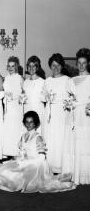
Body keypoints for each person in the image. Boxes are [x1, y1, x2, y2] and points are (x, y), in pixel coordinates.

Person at [0, 111, 76, 193]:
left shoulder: (38, 137)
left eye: (31, 122)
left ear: (35, 123)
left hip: (37, 165)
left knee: (13, 177)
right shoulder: (23, 136)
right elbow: (22, 153)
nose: (29, 124)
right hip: (25, 162)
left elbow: (41, 158)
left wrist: (26, 163)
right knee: (4, 171)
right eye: (27, 122)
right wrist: (19, 159)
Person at [62, 49, 90, 184]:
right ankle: (73, 173)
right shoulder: (71, 81)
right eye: (79, 63)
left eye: (84, 63)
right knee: (74, 143)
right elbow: (68, 97)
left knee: (85, 143)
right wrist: (68, 103)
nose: (81, 66)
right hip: (73, 114)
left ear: (88, 64)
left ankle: (85, 174)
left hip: (85, 115)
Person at [43, 53, 75, 173]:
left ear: (62, 66)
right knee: (50, 138)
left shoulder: (68, 80)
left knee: (60, 139)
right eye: (53, 65)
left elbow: (74, 96)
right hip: (50, 113)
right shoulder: (47, 81)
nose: (55, 68)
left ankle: (61, 166)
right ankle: (49, 166)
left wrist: (68, 103)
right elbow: (43, 95)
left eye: (58, 65)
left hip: (62, 113)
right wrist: (47, 98)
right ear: (50, 66)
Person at [2, 56, 25, 157]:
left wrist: (16, 97)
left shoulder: (20, 78)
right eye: (9, 66)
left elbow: (24, 93)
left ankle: (17, 153)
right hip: (8, 107)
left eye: (13, 66)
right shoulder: (5, 78)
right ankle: (9, 153)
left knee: (16, 128)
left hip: (16, 107)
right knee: (8, 129)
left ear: (16, 67)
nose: (11, 68)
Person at [23, 56, 46, 135]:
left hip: (38, 110)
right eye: (29, 66)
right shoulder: (25, 82)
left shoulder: (43, 82)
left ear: (37, 67)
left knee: (38, 133)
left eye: (34, 66)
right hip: (27, 109)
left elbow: (45, 98)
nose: (31, 68)